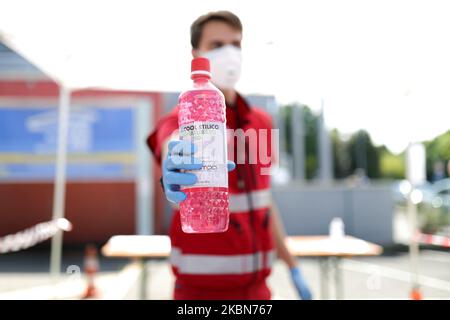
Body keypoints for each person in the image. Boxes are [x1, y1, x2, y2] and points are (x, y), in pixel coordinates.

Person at [147, 10, 312, 300]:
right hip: (199, 295)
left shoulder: (261, 123)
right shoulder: (180, 119)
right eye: (217, 45)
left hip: (258, 293)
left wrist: (292, 265)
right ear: (196, 54)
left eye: (236, 44)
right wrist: (175, 167)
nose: (230, 53)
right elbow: (171, 141)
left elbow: (264, 204)